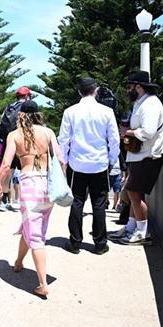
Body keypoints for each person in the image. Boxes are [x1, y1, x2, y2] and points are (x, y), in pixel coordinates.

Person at [0, 100, 63, 297]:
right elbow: (61, 159)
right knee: (31, 224)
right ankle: (18, 262)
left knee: (36, 234)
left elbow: (6, 164)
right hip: (47, 186)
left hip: (29, 184)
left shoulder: (14, 135)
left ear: (21, 116)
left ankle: (43, 284)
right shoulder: (48, 133)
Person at [58, 77, 120, 255]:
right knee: (99, 204)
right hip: (100, 164)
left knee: (77, 202)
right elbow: (114, 139)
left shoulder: (70, 111)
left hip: (77, 165)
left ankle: (75, 242)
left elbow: (64, 139)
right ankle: (100, 244)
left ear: (79, 92)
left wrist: (65, 162)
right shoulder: (107, 112)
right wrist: (112, 160)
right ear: (96, 91)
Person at [114, 70, 163, 245]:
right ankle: (132, 227)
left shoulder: (150, 104)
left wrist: (127, 132)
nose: (127, 90)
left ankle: (142, 232)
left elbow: (148, 132)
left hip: (149, 156)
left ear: (139, 87)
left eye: (130, 86)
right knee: (134, 194)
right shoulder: (142, 102)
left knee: (133, 192)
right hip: (140, 156)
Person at [0, 86, 33, 210]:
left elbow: (1, 125)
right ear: (28, 96)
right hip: (23, 144)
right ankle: (26, 201)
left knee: (8, 171)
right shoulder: (28, 107)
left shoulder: (8, 107)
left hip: (8, 143)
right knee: (26, 172)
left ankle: (3, 201)